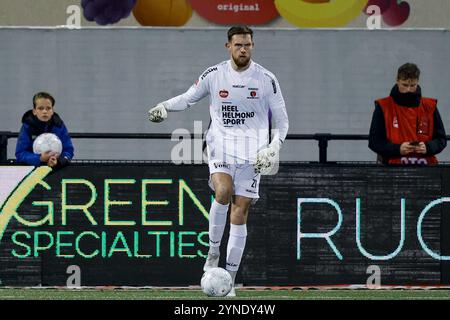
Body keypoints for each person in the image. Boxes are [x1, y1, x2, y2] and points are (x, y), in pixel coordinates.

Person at [148, 25, 289, 296]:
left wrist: (274, 147)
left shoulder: (266, 79)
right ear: (228, 47)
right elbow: (188, 98)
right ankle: (213, 252)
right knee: (222, 191)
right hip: (221, 147)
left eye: (247, 44)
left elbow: (282, 120)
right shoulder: (214, 75)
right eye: (238, 45)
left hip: (252, 154)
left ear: (252, 46)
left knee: (241, 211)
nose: (243, 49)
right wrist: (165, 106)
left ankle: (229, 280)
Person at [369, 63, 446, 165]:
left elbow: (441, 139)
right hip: (392, 169)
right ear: (397, 80)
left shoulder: (429, 106)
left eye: (413, 85)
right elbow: (374, 142)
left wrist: (427, 147)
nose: (408, 89)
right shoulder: (384, 106)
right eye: (404, 85)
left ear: (418, 82)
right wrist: (397, 149)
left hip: (427, 170)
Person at [15, 92, 74, 168]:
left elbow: (68, 150)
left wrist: (58, 161)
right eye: (40, 108)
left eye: (48, 108)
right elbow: (20, 153)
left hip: (56, 170)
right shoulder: (27, 126)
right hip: (32, 170)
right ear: (34, 111)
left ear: (52, 111)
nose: (45, 111)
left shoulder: (59, 125)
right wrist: (39, 158)